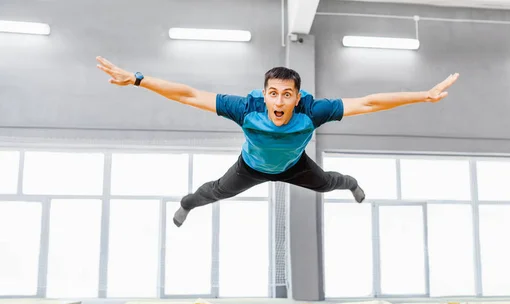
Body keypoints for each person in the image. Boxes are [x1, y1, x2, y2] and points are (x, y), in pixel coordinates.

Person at [96, 56, 459, 227]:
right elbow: (190, 95)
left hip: (294, 166)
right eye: (274, 94)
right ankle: (186, 205)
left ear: (297, 97)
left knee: (329, 183)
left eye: (287, 95)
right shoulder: (245, 108)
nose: (280, 102)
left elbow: (368, 102)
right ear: (265, 94)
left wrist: (422, 95)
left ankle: (354, 185)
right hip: (250, 167)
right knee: (214, 192)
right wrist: (139, 79)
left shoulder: (313, 111)